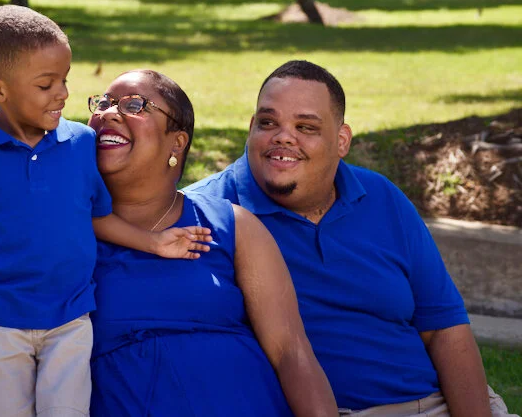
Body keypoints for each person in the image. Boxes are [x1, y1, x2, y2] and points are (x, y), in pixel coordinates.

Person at [0, 69, 339, 417]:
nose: (106, 112)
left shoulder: (229, 225)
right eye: (100, 101)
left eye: (136, 104)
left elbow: (291, 353)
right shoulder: (53, 229)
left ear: (175, 143)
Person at [0, 7, 211, 417]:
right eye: (46, 85)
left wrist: (154, 242)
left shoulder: (79, 144)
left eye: (65, 79)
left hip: (71, 319)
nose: (62, 93)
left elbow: (95, 216)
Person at [185, 60, 518, 416]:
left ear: (341, 140)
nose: (283, 137)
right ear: (251, 128)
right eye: (268, 123)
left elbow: (445, 329)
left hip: (436, 404)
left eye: (306, 127)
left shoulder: (380, 196)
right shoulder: (207, 213)